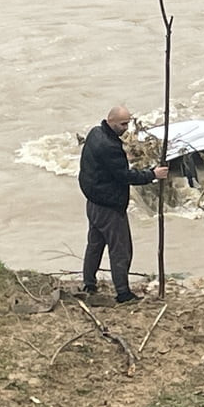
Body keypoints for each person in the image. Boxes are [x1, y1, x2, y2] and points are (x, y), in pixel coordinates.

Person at [78, 106, 168, 303]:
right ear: (110, 121)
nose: (126, 128)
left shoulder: (95, 133)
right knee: (121, 250)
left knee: (95, 244)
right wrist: (152, 175)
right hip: (109, 206)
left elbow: (107, 167)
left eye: (128, 123)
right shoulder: (110, 147)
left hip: (93, 201)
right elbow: (124, 176)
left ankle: (88, 283)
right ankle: (123, 293)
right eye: (123, 124)